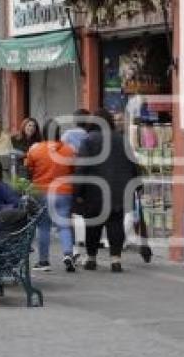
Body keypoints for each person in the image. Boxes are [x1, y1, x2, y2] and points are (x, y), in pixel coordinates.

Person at [74, 109, 140, 273]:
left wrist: (78, 192)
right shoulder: (121, 139)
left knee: (93, 225)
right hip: (119, 191)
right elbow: (133, 164)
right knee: (116, 224)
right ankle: (115, 260)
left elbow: (81, 167)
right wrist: (138, 185)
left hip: (94, 191)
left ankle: (91, 259)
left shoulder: (88, 140)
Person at [26, 119, 77, 273]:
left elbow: (29, 168)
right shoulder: (69, 150)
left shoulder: (35, 150)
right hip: (63, 191)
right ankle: (68, 254)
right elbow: (73, 169)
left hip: (41, 190)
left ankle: (43, 261)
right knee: (64, 225)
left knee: (43, 226)